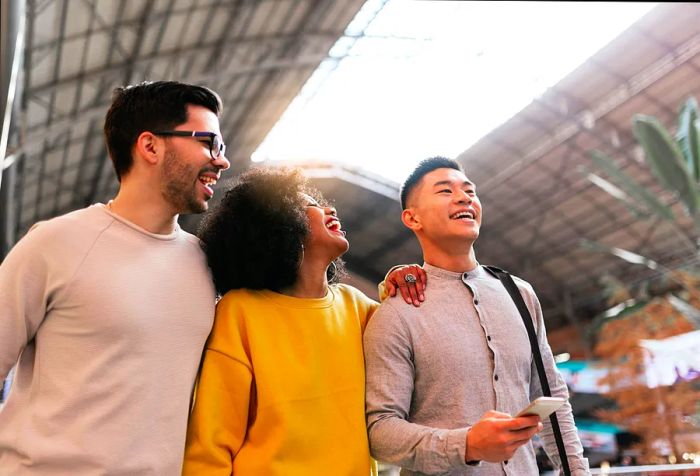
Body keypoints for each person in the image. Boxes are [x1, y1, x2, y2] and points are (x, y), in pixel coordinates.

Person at [0, 81, 231, 475]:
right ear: (150, 146)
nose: (222, 161)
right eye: (208, 142)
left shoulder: (207, 265)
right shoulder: (55, 243)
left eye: (221, 148)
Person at [183, 166, 422, 475]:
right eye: (309, 203)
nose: (330, 208)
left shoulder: (359, 308)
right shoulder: (240, 311)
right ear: (278, 223)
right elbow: (210, 443)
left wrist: (400, 285)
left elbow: (418, 354)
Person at [363, 157, 591, 475]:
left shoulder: (520, 294)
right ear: (412, 218)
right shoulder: (397, 314)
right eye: (445, 191)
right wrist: (466, 444)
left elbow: (551, 396)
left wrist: (577, 471)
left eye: (469, 190)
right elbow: (380, 432)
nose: (464, 197)